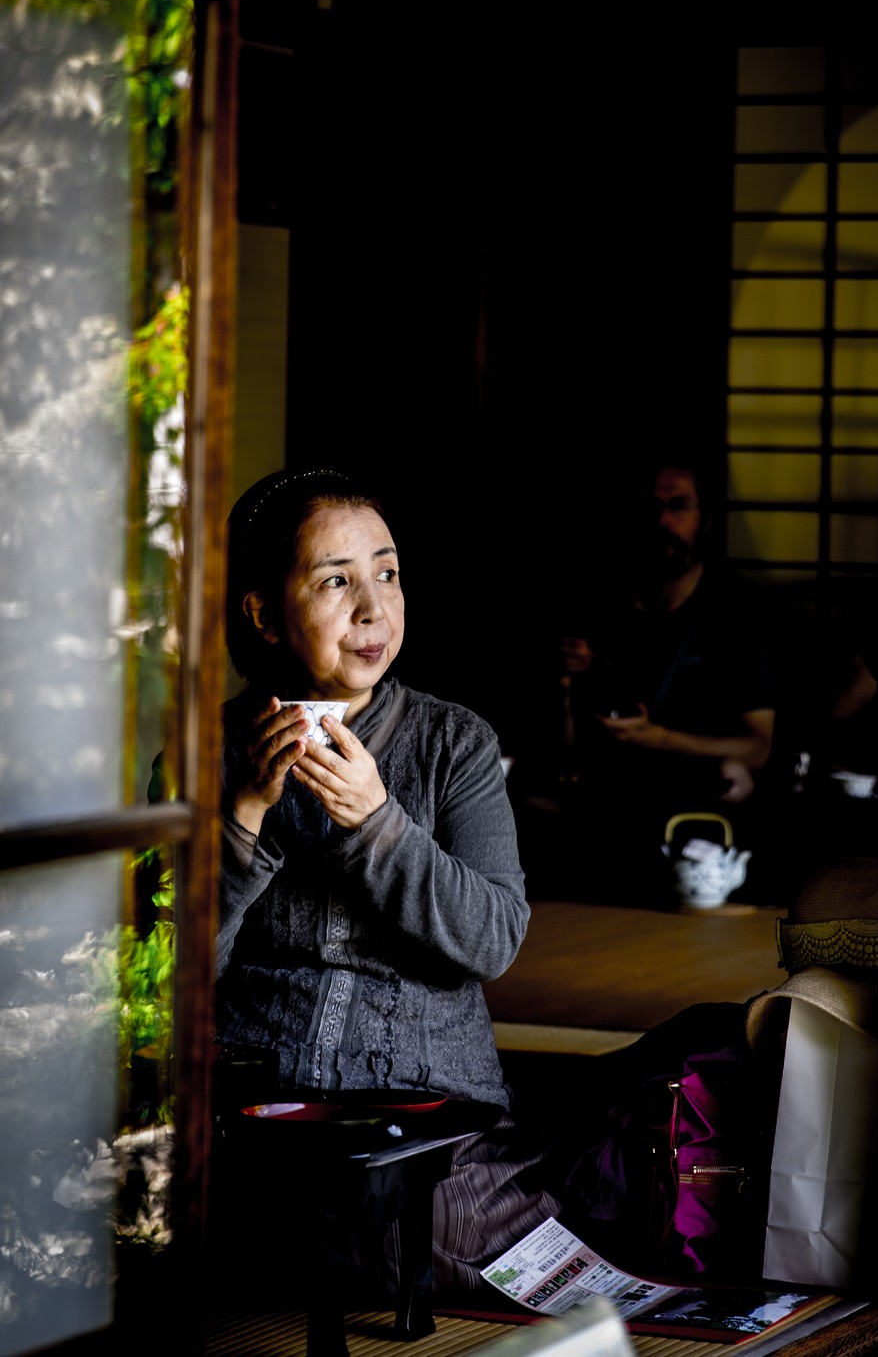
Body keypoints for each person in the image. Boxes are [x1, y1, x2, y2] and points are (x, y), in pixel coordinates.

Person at [211, 466, 559, 1298]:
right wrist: (241, 818)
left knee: (439, 1246)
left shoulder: (455, 744)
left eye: (387, 572)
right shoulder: (206, 750)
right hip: (258, 1101)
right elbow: (164, 970)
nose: (374, 607)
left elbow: (493, 938)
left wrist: (378, 821)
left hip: (426, 1105)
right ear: (262, 612)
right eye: (337, 581)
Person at [509, 453, 783, 906]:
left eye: (679, 507)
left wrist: (656, 737)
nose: (663, 520)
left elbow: (757, 747)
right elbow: (562, 746)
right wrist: (562, 684)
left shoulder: (741, 613)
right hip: (603, 802)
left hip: (697, 808)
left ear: (707, 519)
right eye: (652, 508)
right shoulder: (602, 605)